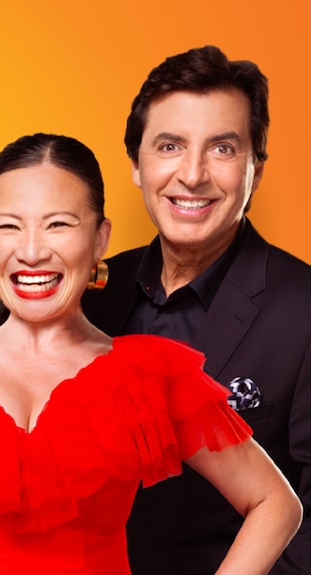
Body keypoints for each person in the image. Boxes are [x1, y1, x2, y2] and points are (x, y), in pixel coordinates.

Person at [0, 133, 301, 574]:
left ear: (100, 238)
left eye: (58, 224)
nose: (32, 251)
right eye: (8, 227)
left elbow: (274, 503)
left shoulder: (150, 376)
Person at [81, 46, 311, 574]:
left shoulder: (303, 309)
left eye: (223, 148)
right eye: (169, 145)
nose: (192, 174)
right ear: (137, 164)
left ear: (257, 166)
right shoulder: (92, 289)